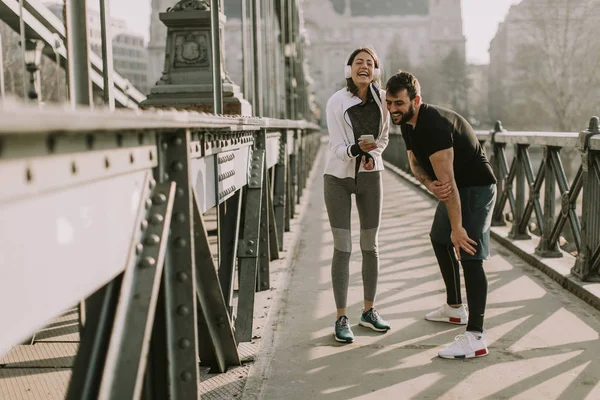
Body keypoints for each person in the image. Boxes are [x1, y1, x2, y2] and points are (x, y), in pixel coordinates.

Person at [385, 70, 497, 359]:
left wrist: (458, 228)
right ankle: (455, 307)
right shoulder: (408, 123)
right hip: (455, 187)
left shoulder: (433, 126)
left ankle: (476, 336)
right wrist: (428, 183)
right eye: (389, 103)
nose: (393, 109)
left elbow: (450, 185)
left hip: (475, 187)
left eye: (398, 103)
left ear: (416, 100)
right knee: (439, 238)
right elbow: (414, 161)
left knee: (468, 250)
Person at [324, 47, 391, 343]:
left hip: (370, 176)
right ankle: (341, 316)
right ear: (348, 67)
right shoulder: (336, 101)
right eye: (358, 62)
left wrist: (371, 154)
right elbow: (337, 148)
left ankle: (368, 311)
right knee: (343, 247)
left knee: (370, 245)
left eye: (370, 63)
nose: (364, 67)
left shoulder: (383, 99)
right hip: (337, 178)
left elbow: (384, 139)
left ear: (376, 70)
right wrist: (356, 150)